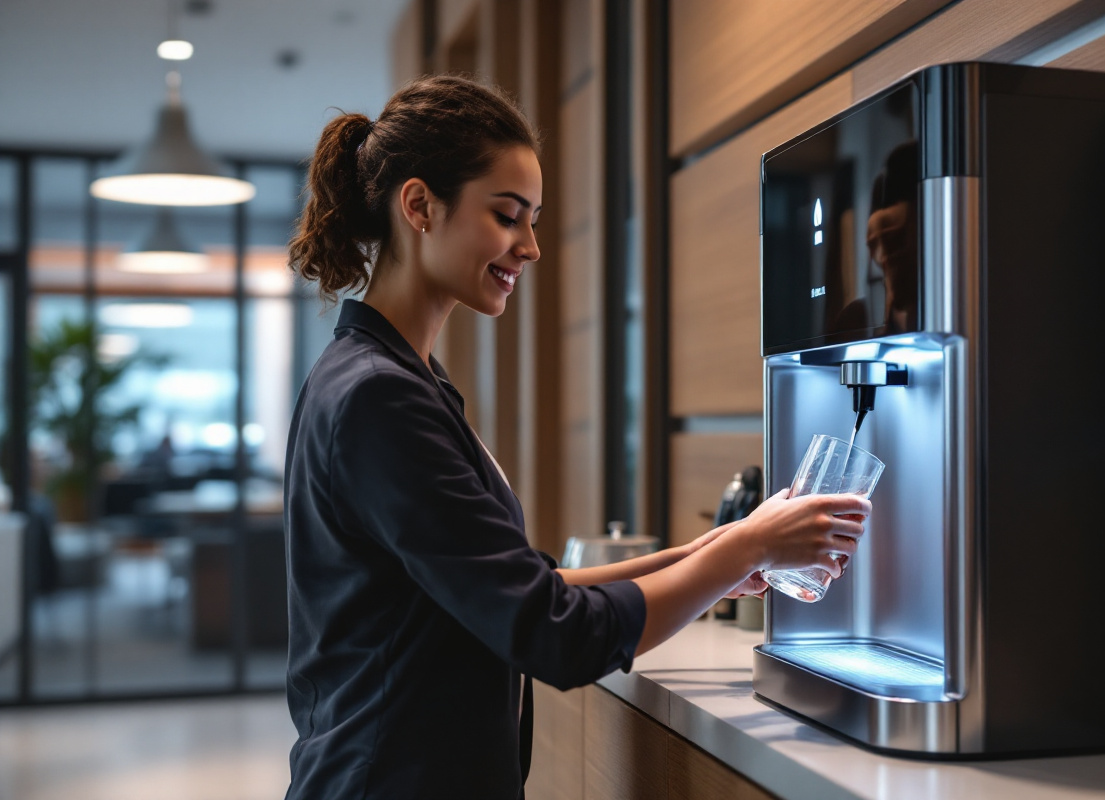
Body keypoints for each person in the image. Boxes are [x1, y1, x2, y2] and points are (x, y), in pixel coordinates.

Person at [283, 75, 871, 800]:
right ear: (419, 206)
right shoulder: (380, 397)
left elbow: (524, 585)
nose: (530, 247)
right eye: (507, 216)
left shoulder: (399, 379)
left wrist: (717, 551)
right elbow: (551, 632)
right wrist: (748, 549)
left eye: (534, 220)